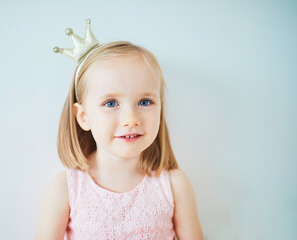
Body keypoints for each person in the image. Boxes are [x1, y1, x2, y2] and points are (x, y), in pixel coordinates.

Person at [36, 20, 203, 240]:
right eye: (111, 103)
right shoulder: (66, 190)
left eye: (144, 102)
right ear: (84, 117)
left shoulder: (175, 186)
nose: (131, 119)